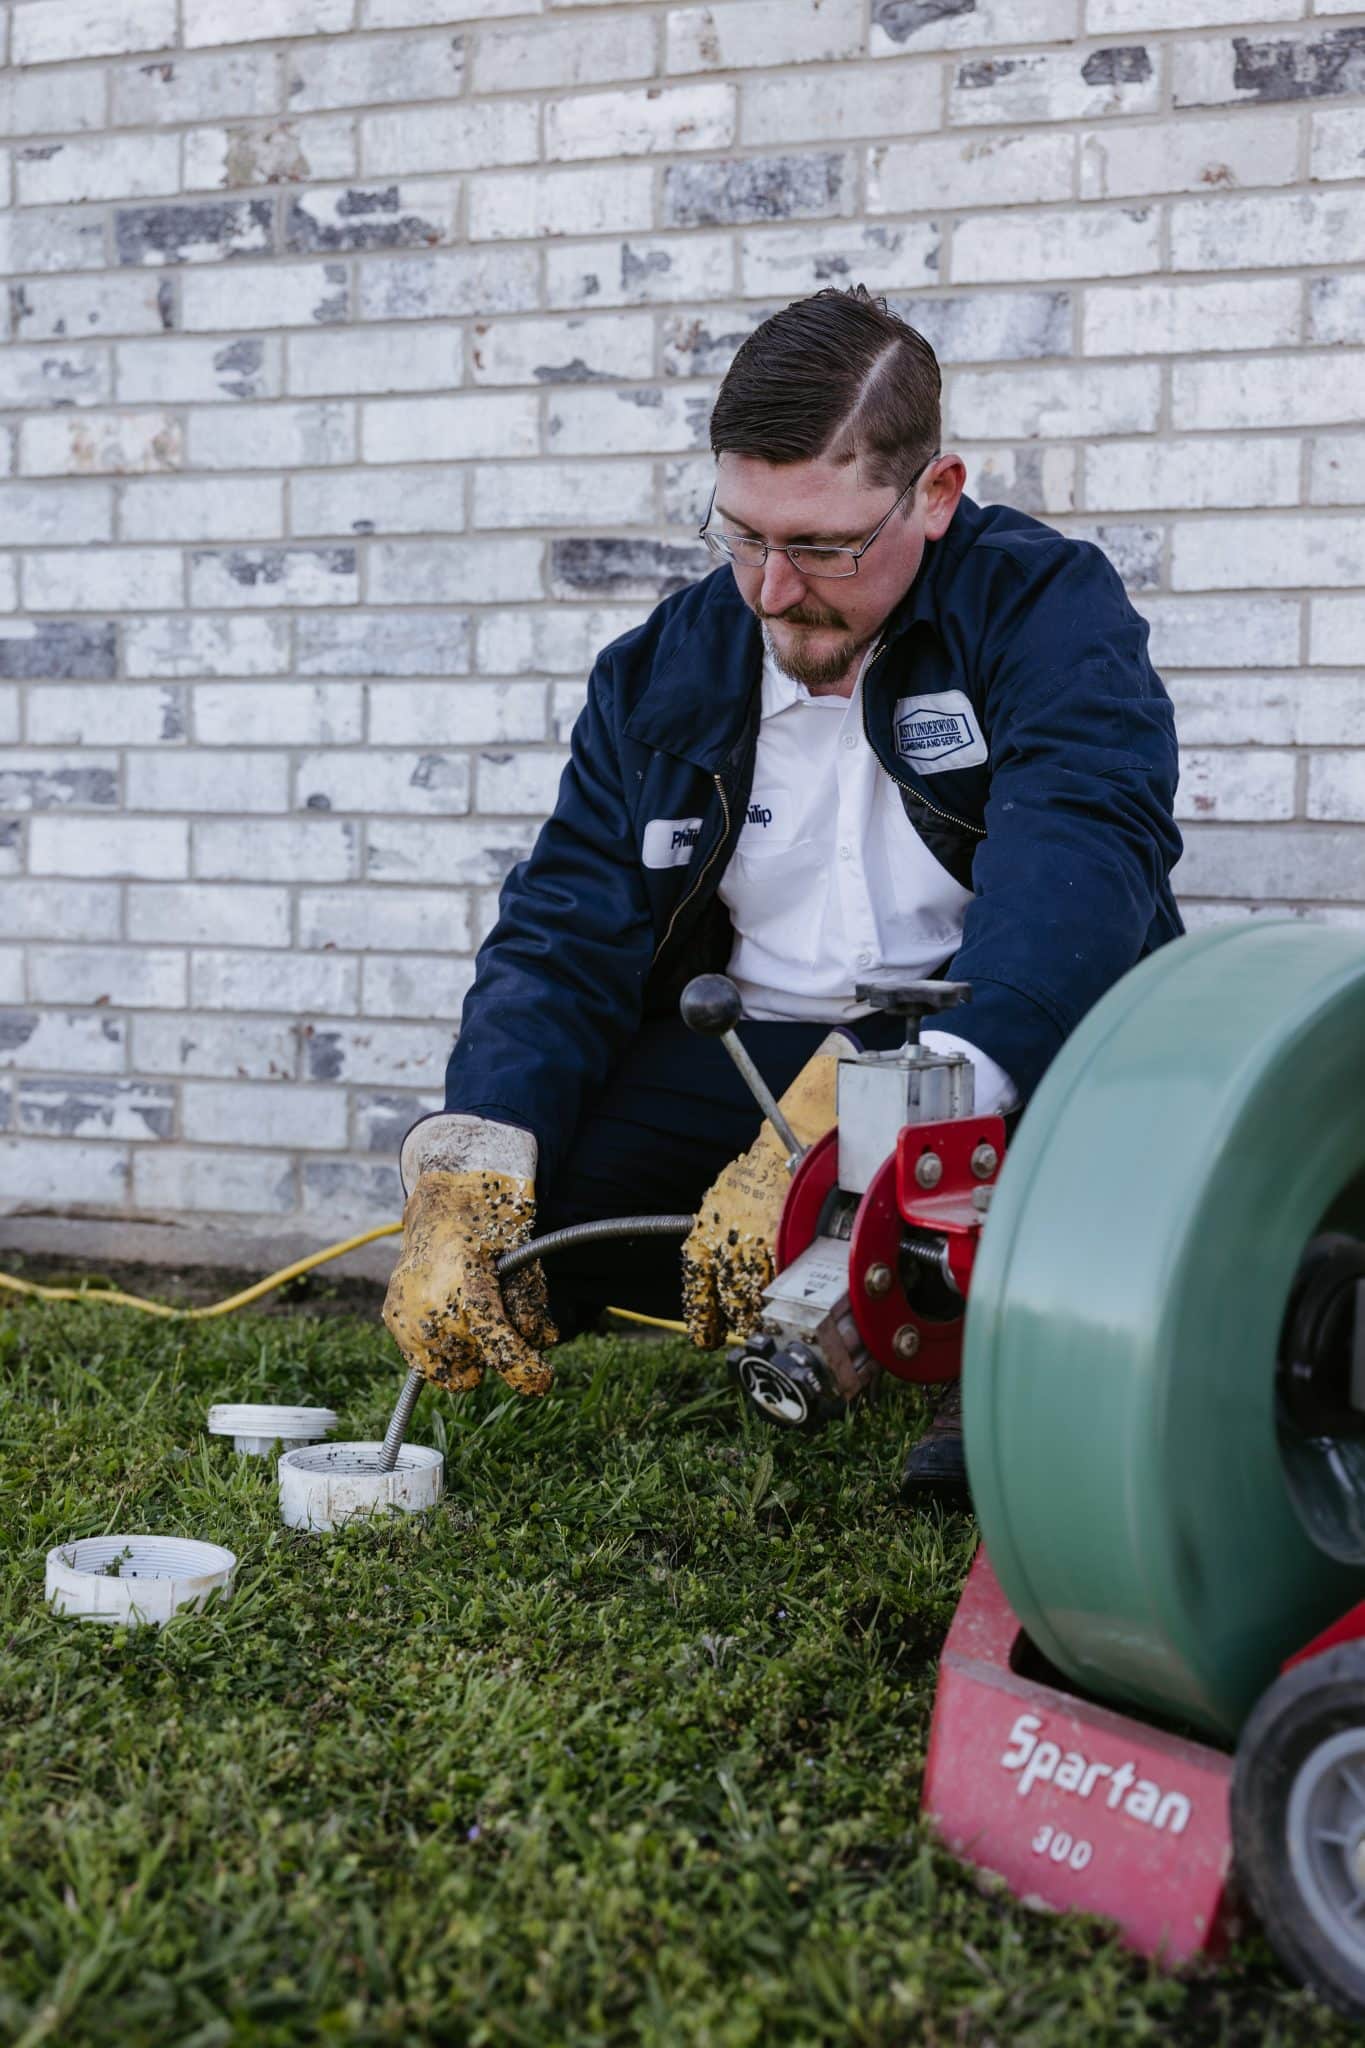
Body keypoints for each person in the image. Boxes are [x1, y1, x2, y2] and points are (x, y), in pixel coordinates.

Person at [382, 285, 1182, 1506]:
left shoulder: (1047, 609)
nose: (769, 588)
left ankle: (997, 1347)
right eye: (744, 535)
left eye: (819, 546)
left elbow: (1081, 870)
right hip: (752, 1061)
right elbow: (562, 931)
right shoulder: (662, 666)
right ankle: (806, 1284)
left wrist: (867, 1109)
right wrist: (478, 1149)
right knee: (534, 1203)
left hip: (993, 1053)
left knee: (1048, 1220)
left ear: (935, 493)